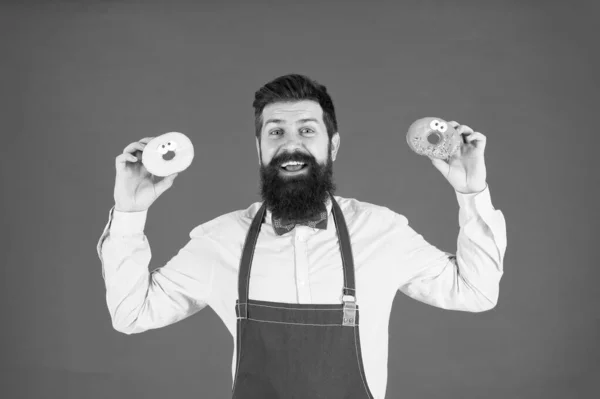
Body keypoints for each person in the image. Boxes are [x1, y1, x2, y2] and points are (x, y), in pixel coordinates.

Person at [97, 74, 507, 399]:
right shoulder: (219, 241)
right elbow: (131, 313)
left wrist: (472, 192)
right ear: (258, 149)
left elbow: (475, 291)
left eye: (307, 130)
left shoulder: (381, 232)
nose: (291, 144)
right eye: (275, 132)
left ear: (334, 144)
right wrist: (131, 213)